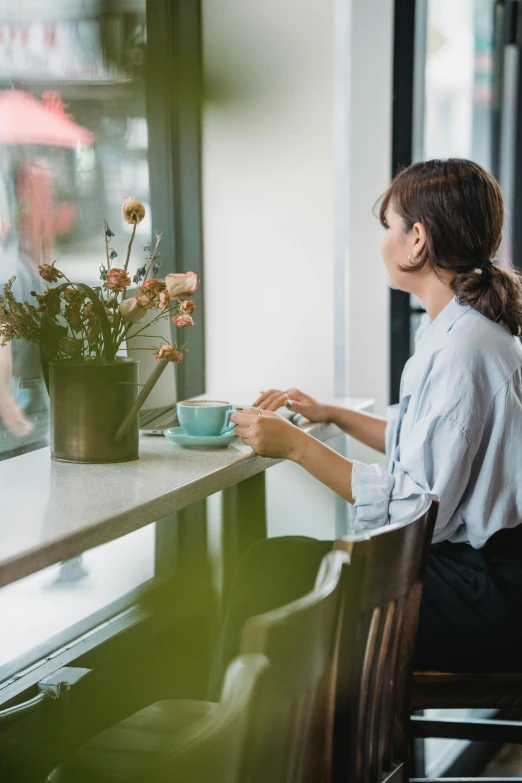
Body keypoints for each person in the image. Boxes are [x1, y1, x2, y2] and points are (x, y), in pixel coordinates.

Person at [225, 158, 522, 677]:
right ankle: (261, 744)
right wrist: (332, 415)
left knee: (269, 570)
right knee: (274, 568)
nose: (381, 241)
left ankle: (235, 743)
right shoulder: (462, 331)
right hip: (481, 578)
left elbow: (415, 507)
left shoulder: (464, 349)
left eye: (388, 227)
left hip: (487, 596)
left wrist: (295, 446)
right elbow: (433, 450)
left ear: (418, 241)